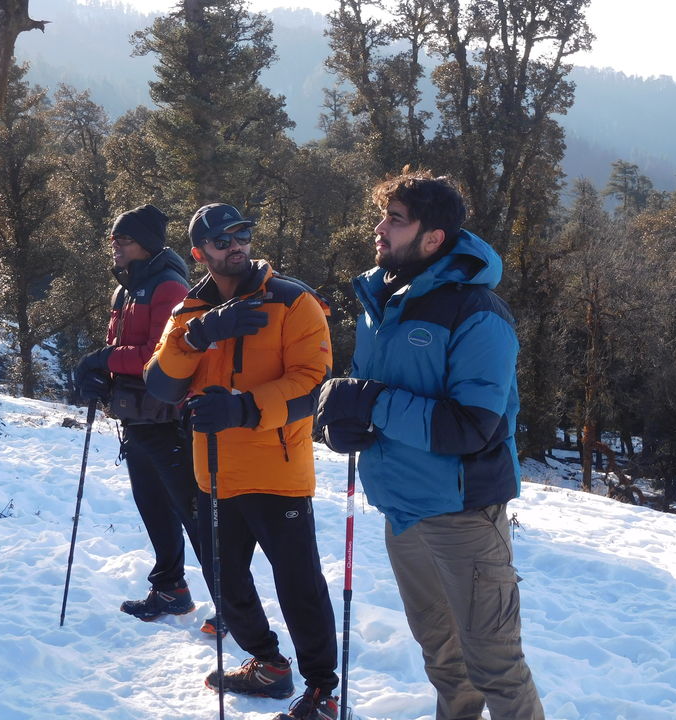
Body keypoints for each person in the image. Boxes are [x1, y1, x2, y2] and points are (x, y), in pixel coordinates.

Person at [315, 170, 545, 720]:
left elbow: (472, 426)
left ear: (433, 237)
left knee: (496, 668)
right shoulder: (383, 299)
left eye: (395, 220)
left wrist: (372, 403)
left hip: (463, 515)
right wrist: (345, 419)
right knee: (442, 658)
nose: (380, 228)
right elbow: (377, 393)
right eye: (383, 216)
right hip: (403, 512)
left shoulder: (477, 312)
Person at [144, 203, 340, 720]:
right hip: (213, 474)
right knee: (223, 579)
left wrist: (245, 407)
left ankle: (322, 691)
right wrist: (198, 336)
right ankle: (268, 664)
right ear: (199, 252)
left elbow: (312, 384)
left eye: (243, 234)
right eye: (222, 239)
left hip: (277, 472)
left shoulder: (292, 301)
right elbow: (160, 382)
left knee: (299, 586)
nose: (236, 245)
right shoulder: (189, 310)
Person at [73, 204, 207, 626]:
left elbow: (158, 355)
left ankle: (233, 602)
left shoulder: (169, 287)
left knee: (193, 514)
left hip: (168, 421)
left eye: (123, 239)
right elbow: (123, 348)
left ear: (145, 244)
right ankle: (170, 589)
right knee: (154, 507)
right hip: (137, 419)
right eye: (114, 238)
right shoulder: (127, 289)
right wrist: (102, 377)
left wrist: (104, 359)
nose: (115, 246)